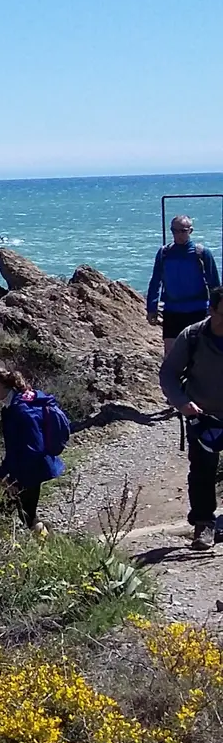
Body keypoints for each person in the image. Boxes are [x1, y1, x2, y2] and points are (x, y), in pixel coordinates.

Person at [159, 286, 223, 550]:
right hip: (203, 417)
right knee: (202, 472)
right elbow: (169, 374)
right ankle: (204, 525)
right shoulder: (193, 336)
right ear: (211, 310)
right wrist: (182, 403)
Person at [0, 365, 65, 534]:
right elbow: (15, 448)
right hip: (28, 469)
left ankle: (43, 547)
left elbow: (33, 448)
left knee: (3, 512)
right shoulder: (12, 406)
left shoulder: (21, 409)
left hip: (30, 470)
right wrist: (3, 474)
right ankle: (46, 543)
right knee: (26, 515)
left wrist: (13, 479)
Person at [148, 215, 220, 354]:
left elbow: (215, 285)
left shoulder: (202, 253)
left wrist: (216, 311)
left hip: (197, 311)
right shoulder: (164, 253)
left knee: (197, 353)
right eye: (175, 231)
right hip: (172, 311)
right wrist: (152, 307)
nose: (179, 234)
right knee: (171, 354)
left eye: (183, 230)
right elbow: (156, 281)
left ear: (190, 231)